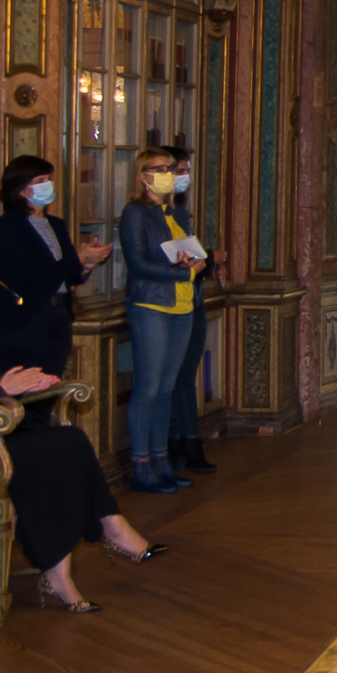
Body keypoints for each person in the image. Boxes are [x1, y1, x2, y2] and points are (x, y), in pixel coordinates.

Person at [0, 256, 168, 614]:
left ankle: (98, 538)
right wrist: (3, 391)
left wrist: (22, 388)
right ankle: (84, 553)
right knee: (44, 456)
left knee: (70, 441)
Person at [119, 148, 203, 494]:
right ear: (143, 176)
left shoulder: (178, 212)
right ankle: (141, 465)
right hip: (151, 304)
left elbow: (191, 252)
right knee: (148, 387)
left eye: (170, 168)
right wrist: (183, 273)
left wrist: (195, 263)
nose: (168, 173)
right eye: (160, 168)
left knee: (166, 388)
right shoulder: (135, 212)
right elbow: (138, 263)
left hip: (182, 304)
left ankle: (162, 459)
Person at [0, 156, 112, 378]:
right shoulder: (8, 226)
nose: (49, 184)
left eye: (48, 179)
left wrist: (86, 264)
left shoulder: (55, 224)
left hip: (58, 314)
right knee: (29, 389)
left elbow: (66, 273)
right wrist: (77, 259)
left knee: (51, 386)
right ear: (22, 189)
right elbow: (31, 274)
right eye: (41, 181)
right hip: (25, 317)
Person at [162, 146, 222, 476]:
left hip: (192, 297)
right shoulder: (148, 214)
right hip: (167, 302)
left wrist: (208, 262)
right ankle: (174, 444)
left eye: (186, 170)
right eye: (179, 171)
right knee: (171, 378)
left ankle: (190, 442)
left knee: (186, 375)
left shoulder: (181, 213)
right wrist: (210, 256)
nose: (184, 177)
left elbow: (189, 251)